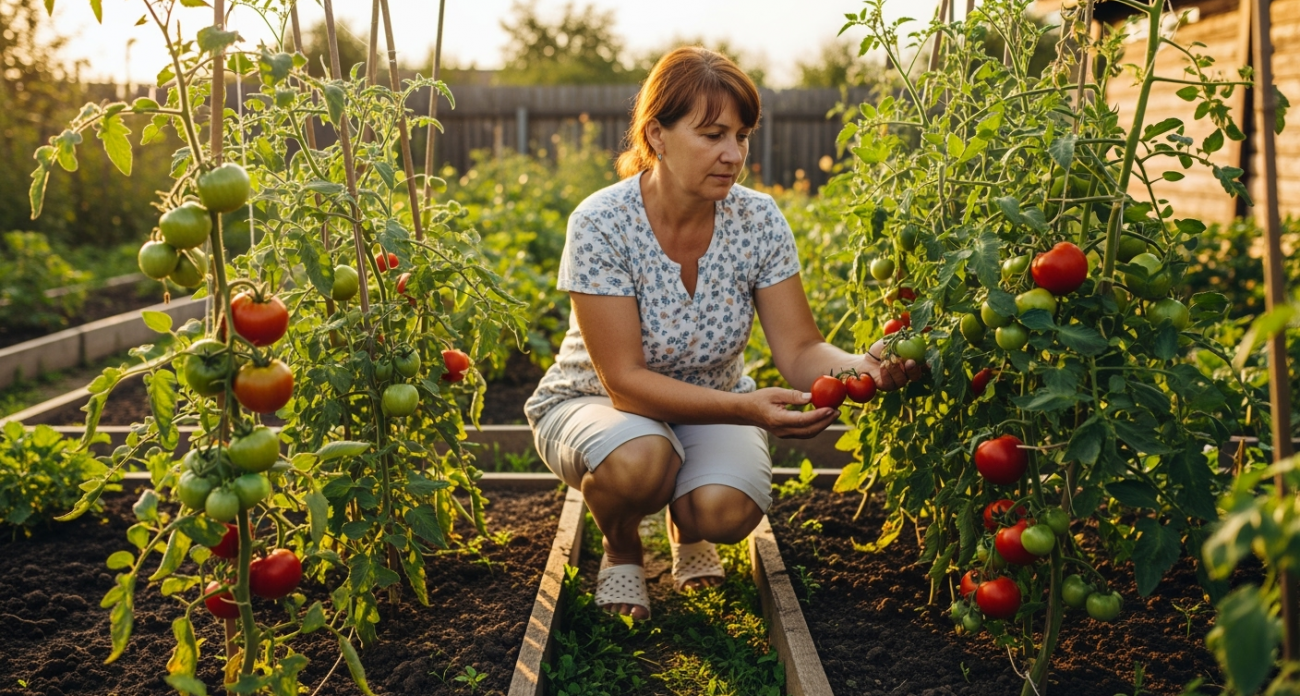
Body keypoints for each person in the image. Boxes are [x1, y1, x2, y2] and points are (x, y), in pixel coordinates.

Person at [523, 46, 922, 620]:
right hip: (596, 404)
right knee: (642, 457)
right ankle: (622, 546)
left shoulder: (757, 220)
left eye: (741, 136)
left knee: (727, 510)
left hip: (711, 403)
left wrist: (864, 367)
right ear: (657, 135)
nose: (733, 154)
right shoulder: (602, 223)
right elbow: (625, 384)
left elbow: (800, 348)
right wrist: (746, 410)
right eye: (712, 135)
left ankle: (688, 528)